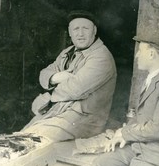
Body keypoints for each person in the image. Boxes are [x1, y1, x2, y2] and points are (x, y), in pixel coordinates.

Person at [22, 10, 117, 142]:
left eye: (85, 28)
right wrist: (55, 78)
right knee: (23, 135)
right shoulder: (68, 51)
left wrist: (48, 96)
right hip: (59, 111)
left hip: (85, 119)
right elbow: (44, 74)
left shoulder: (101, 56)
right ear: (70, 32)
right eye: (76, 29)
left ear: (94, 31)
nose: (80, 34)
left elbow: (75, 89)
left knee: (35, 139)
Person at [91, 35, 159, 166]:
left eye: (140, 51)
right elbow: (140, 115)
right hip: (139, 145)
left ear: (151, 54)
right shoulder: (152, 77)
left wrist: (125, 133)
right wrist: (122, 134)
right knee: (100, 163)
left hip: (158, 154)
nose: (136, 55)